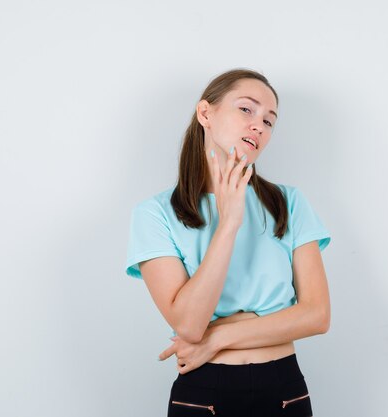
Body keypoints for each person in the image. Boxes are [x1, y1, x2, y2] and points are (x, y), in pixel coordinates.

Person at [125, 68, 332, 417]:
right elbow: (189, 325)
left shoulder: (288, 203)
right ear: (205, 113)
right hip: (203, 393)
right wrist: (230, 222)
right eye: (246, 109)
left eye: (269, 121)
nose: (259, 126)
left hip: (284, 389)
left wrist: (218, 338)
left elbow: (317, 315)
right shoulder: (155, 214)